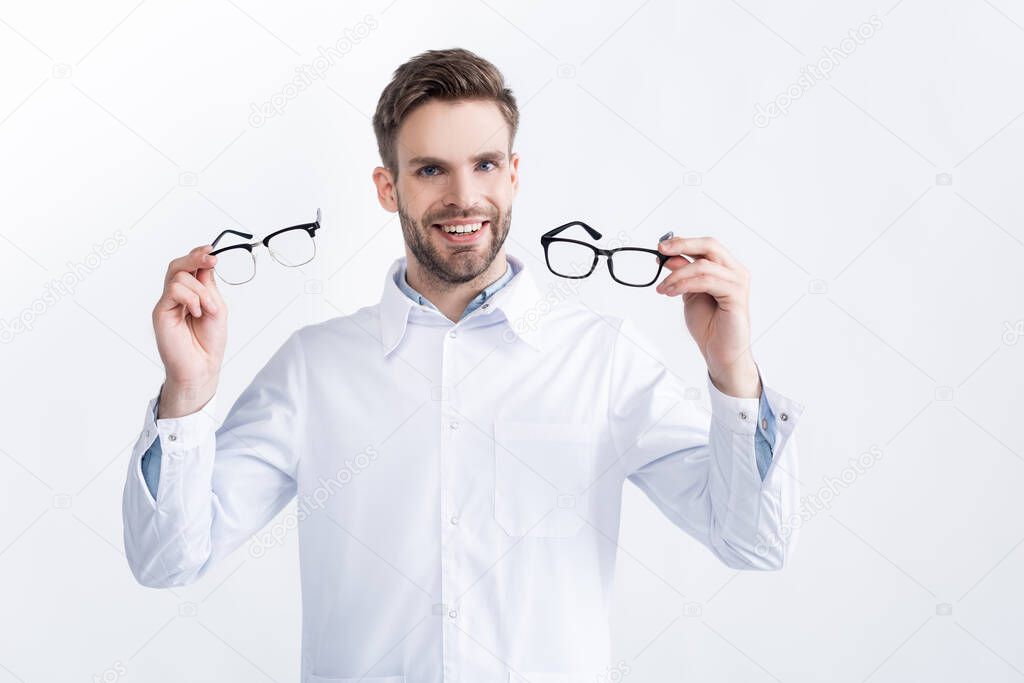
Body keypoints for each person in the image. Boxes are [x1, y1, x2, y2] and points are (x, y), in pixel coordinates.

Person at [123, 47, 805, 682]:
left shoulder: (602, 359)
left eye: (484, 164)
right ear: (388, 188)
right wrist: (187, 393)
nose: (464, 197)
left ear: (514, 173)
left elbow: (756, 542)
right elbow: (167, 559)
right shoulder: (314, 368)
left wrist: (733, 371)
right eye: (430, 170)